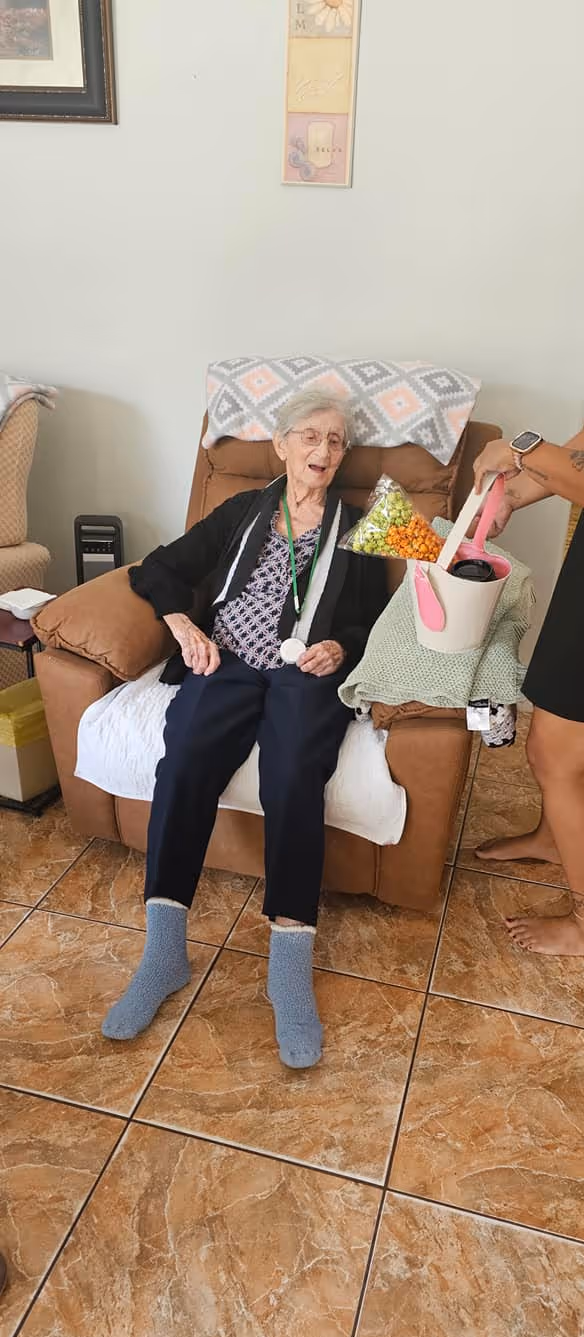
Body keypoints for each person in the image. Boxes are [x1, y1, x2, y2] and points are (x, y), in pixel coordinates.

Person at [101, 388, 387, 1066]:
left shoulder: (362, 525)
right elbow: (159, 568)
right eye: (310, 436)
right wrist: (183, 626)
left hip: (304, 672)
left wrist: (340, 647)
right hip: (224, 659)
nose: (323, 450)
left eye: (336, 441)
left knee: (293, 774)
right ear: (281, 445)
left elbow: (375, 618)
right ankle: (164, 954)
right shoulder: (243, 509)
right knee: (185, 760)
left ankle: (288, 973)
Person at [471, 109, 584, 961]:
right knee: (559, 724)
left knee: (560, 751)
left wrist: (524, 447)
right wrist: (518, 490)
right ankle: (553, 834)